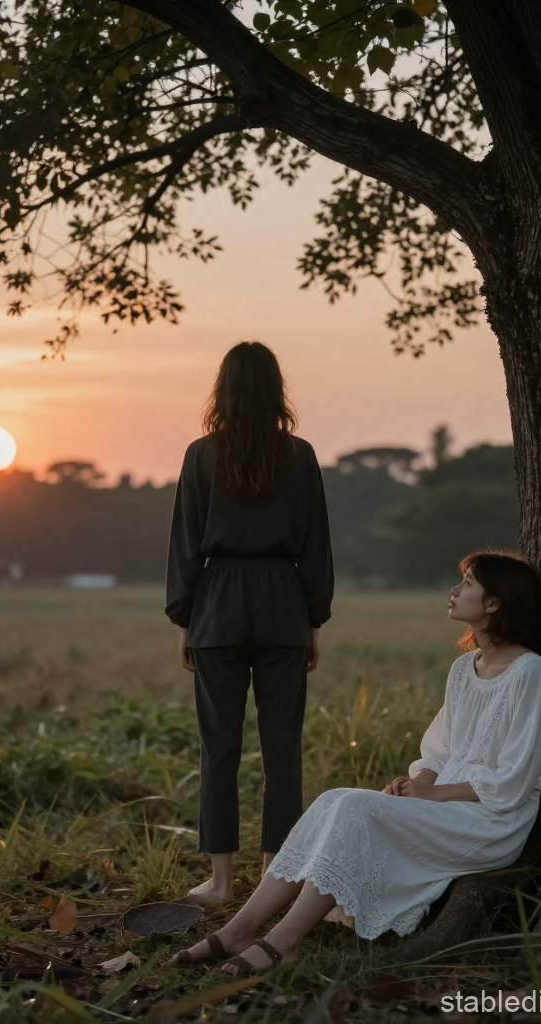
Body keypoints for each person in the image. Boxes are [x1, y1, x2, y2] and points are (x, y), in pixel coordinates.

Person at [170, 550, 541, 973]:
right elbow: (441, 750)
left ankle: (285, 940)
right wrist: (418, 783)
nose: (453, 591)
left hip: (491, 820)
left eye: (466, 584)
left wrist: (434, 792)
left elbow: (517, 781)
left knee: (356, 808)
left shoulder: (530, 674)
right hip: (443, 803)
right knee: (333, 800)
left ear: (494, 603)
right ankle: (239, 930)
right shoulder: (465, 669)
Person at [165, 341, 335, 905]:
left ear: (224, 390)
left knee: (219, 748)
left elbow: (187, 545)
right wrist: (313, 619)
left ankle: (218, 882)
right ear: (274, 390)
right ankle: (272, 878)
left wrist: (186, 620)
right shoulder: (301, 455)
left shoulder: (200, 454)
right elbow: (315, 546)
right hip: (284, 602)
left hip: (218, 604)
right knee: (282, 748)